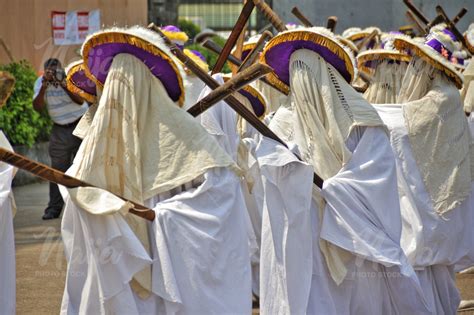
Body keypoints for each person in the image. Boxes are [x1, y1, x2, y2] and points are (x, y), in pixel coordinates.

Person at [59, 26, 252, 314]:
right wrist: (100, 209)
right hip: (113, 277)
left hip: (172, 282)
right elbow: (76, 211)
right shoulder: (98, 145)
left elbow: (223, 197)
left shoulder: (184, 135)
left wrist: (165, 217)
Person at [260, 26, 429, 314]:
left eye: (306, 72)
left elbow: (376, 176)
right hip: (305, 234)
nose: (302, 83)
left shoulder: (361, 120)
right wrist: (288, 170)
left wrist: (332, 189)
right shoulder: (284, 124)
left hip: (352, 238)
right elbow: (272, 173)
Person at [374, 24, 474, 313]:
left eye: (418, 66)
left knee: (430, 280)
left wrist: (368, 112)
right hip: (432, 204)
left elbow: (404, 124)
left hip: (434, 206)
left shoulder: (443, 97)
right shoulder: (442, 96)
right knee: (436, 282)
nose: (413, 72)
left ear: (431, 68)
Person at [32, 58, 87, 220]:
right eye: (50, 72)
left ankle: (85, 206)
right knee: (56, 171)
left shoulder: (69, 78)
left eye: (56, 71)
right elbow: (38, 107)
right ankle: (54, 208)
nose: (53, 74)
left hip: (80, 125)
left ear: (61, 69)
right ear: (45, 71)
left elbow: (80, 101)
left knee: (84, 167)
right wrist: (44, 85)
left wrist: (62, 83)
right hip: (60, 129)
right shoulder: (40, 82)